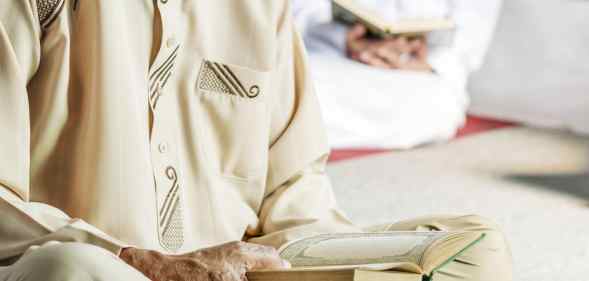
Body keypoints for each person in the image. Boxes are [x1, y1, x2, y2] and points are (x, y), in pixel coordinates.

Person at [0, 1, 512, 281]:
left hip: (241, 274)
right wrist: (142, 262)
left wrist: (358, 262)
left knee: (470, 248)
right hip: (107, 270)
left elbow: (294, 192)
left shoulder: (262, 7)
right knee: (66, 269)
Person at [291, 0, 503, 149]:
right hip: (328, 59)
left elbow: (470, 39)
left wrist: (422, 64)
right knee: (286, 85)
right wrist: (345, 38)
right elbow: (295, 13)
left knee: (438, 108)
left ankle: (282, 133)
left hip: (411, 77)